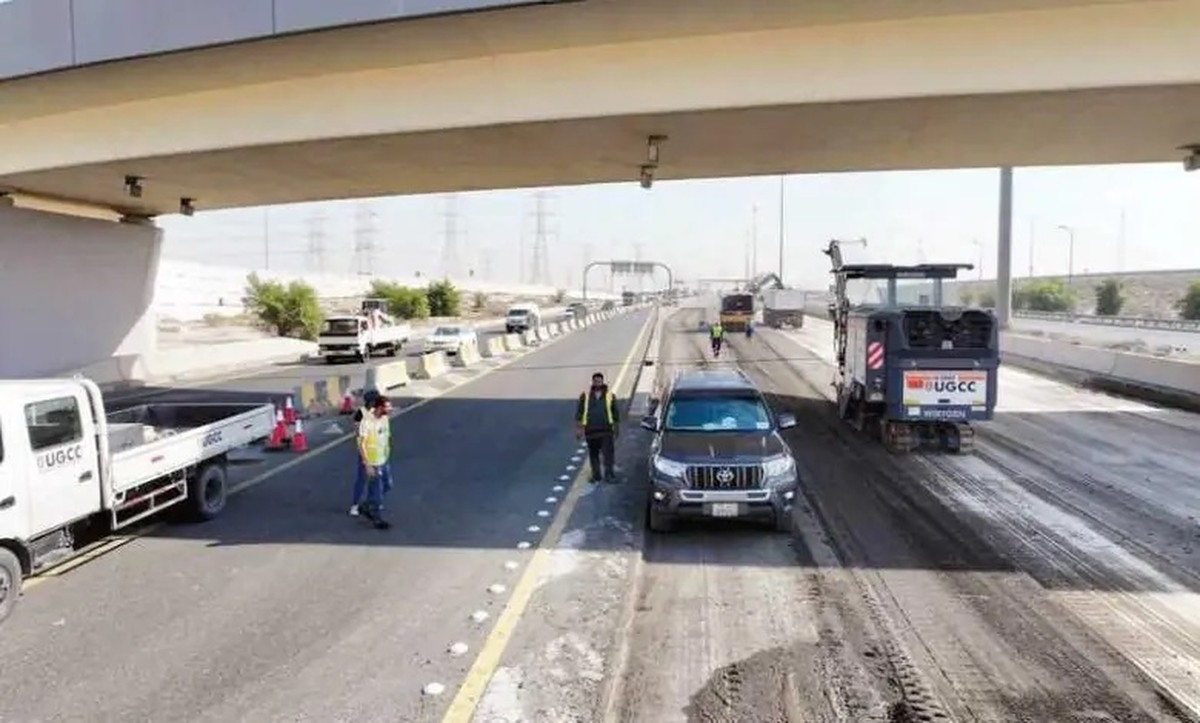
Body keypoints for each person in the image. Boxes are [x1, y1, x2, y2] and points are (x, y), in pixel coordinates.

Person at [356, 394, 394, 529]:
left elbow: (385, 437)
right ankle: (377, 518)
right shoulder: (367, 422)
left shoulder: (385, 419)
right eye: (387, 407)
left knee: (388, 485)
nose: (390, 409)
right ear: (379, 407)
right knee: (377, 492)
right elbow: (361, 444)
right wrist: (367, 464)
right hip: (372, 462)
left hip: (383, 460)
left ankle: (366, 506)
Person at [575, 372, 619, 483]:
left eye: (599, 380)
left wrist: (616, 428)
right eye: (595, 381)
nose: (597, 382)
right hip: (591, 431)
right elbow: (579, 413)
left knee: (608, 455)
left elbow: (615, 414)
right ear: (593, 382)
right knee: (593, 455)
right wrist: (579, 429)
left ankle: (609, 475)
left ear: (602, 381)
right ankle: (596, 475)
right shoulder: (585, 396)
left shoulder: (610, 395)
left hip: (606, 431)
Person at [348, 389, 381, 518]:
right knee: (362, 478)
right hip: (366, 450)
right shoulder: (360, 415)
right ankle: (355, 505)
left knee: (375, 478)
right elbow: (359, 436)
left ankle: (371, 503)